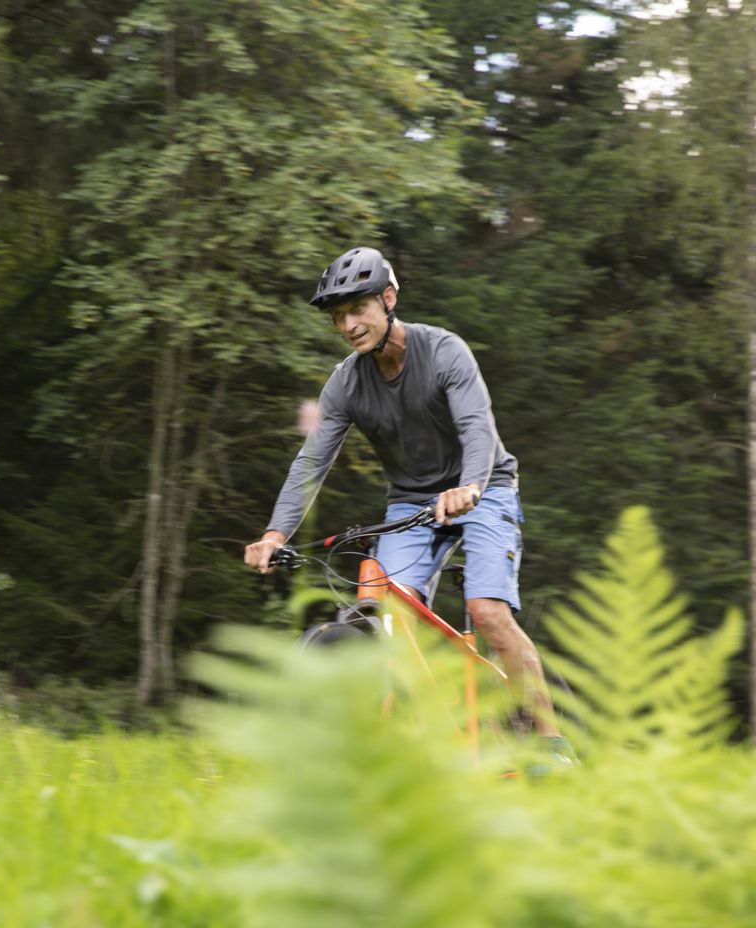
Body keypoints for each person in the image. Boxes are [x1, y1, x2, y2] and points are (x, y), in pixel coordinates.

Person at [243, 246, 569, 754]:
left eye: (359, 309)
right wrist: (274, 533)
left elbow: (476, 428)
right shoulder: (345, 384)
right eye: (339, 317)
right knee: (387, 615)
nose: (349, 325)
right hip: (413, 503)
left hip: (486, 487)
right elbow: (310, 464)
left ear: (388, 299)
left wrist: (471, 486)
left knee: (486, 611)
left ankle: (553, 744)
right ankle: (411, 737)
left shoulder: (443, 352)